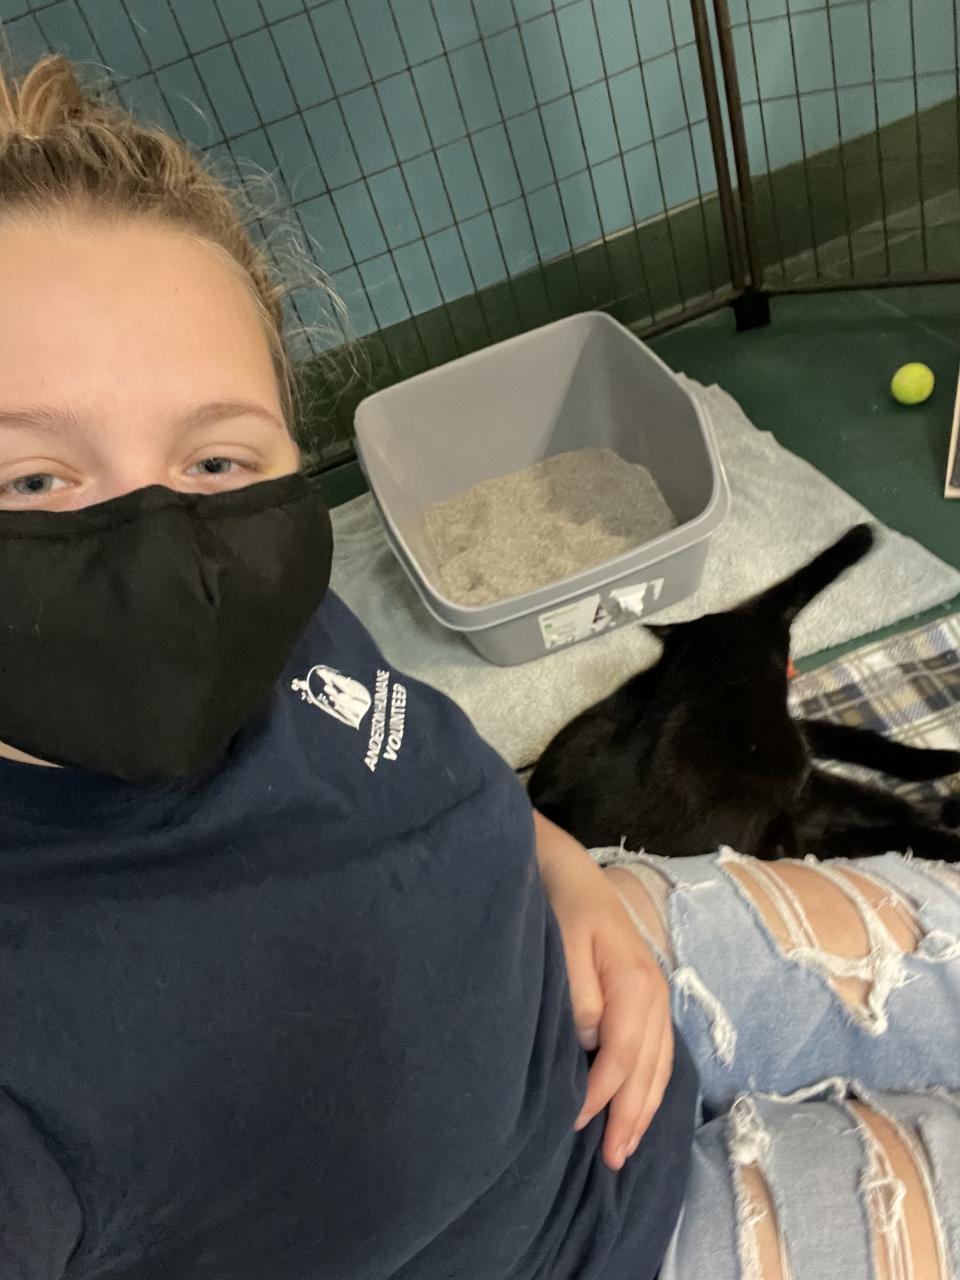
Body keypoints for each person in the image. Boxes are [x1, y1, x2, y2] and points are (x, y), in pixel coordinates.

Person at [0, 53, 957, 1280]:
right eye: (32, 479)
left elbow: (428, 775)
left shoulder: (257, 608)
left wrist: (563, 870)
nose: (158, 540)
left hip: (600, 949)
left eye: (217, 460)